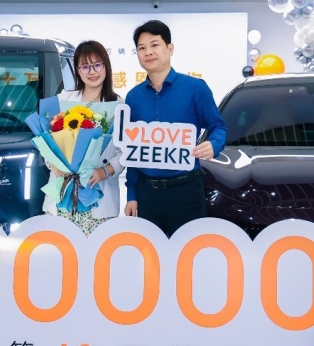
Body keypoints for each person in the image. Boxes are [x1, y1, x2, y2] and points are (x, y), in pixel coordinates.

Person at [123, 20, 227, 236]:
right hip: (147, 193)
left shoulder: (195, 88)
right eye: (141, 48)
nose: (148, 52)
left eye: (155, 45)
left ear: (169, 49)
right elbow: (132, 150)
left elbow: (218, 126)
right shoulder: (133, 97)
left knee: (188, 250)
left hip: (185, 190)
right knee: (151, 251)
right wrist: (131, 194)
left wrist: (214, 145)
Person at [44, 40, 125, 235]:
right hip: (62, 193)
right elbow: (47, 143)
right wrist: (54, 166)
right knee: (61, 249)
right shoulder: (63, 100)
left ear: (106, 67)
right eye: (85, 66)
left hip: (99, 195)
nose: (92, 71)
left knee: (97, 251)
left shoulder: (120, 105)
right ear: (78, 71)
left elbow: (126, 152)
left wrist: (104, 171)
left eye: (97, 65)